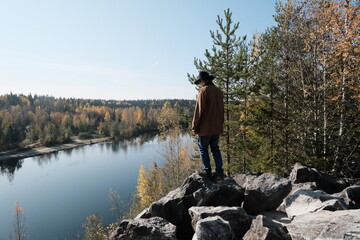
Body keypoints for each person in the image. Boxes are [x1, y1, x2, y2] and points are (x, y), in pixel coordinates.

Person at [192, 71, 225, 180]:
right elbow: (221, 110)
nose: (199, 84)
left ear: (203, 81)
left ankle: (207, 172)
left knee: (203, 149)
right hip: (217, 127)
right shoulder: (219, 92)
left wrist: (194, 127)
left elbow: (198, 111)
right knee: (215, 149)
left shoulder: (203, 91)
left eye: (199, 82)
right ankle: (219, 172)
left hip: (205, 129)